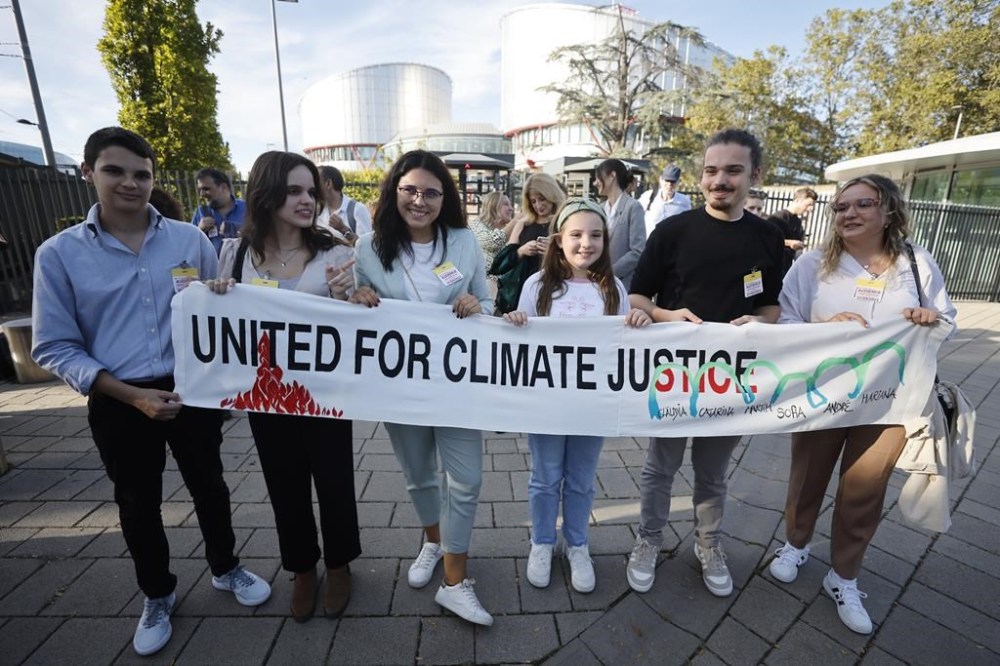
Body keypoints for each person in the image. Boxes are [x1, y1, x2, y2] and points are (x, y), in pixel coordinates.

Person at [31, 127, 271, 657]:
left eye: (141, 174)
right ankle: (157, 594)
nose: (130, 183)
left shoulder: (188, 239)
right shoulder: (58, 255)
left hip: (190, 392)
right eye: (115, 171)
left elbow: (213, 313)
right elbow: (53, 346)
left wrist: (224, 300)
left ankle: (226, 567)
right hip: (118, 397)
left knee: (210, 486)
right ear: (88, 172)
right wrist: (132, 396)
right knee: (137, 502)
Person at [770, 174, 956, 634]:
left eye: (862, 204)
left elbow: (946, 322)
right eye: (840, 207)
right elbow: (786, 321)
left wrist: (929, 319)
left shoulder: (917, 263)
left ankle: (845, 575)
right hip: (822, 394)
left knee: (864, 490)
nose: (849, 214)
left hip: (888, 400)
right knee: (807, 475)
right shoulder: (812, 264)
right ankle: (796, 543)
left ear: (888, 211)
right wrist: (828, 326)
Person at [627, 129, 784, 598]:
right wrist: (662, 314)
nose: (720, 180)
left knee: (713, 472)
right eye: (712, 171)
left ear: (754, 175)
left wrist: (757, 324)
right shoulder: (672, 231)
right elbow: (637, 295)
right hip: (675, 374)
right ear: (701, 175)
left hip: (732, 378)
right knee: (661, 467)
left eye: (733, 171)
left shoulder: (769, 237)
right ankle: (648, 540)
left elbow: (772, 306)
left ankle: (708, 544)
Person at [204, 151, 360, 622]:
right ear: (268, 194)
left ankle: (338, 566)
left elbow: (360, 325)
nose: (308, 200)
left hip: (326, 393)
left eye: (311, 190)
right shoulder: (236, 254)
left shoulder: (335, 250)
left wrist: (346, 297)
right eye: (294, 190)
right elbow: (224, 323)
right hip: (266, 395)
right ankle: (301, 569)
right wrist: (217, 297)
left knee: (335, 482)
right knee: (284, 485)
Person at [349, 149, 494, 626]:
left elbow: (488, 305)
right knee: (419, 475)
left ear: (443, 199)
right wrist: (359, 297)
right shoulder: (369, 247)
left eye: (431, 192)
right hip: (402, 388)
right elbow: (356, 309)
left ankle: (456, 583)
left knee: (467, 479)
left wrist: (476, 305)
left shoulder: (463, 241)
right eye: (410, 189)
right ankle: (433, 540)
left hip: (457, 385)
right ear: (394, 192)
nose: (420, 200)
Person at [504, 198, 651, 593]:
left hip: (592, 408)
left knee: (583, 480)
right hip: (547, 406)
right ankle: (542, 542)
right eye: (576, 235)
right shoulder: (538, 286)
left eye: (595, 235)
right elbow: (522, 341)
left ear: (606, 240)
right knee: (545, 476)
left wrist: (638, 320)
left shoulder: (613, 288)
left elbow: (623, 343)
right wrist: (516, 321)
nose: (586, 243)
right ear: (558, 239)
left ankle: (578, 544)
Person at [490, 173, 565, 314]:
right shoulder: (524, 224)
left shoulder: (564, 222)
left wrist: (555, 251)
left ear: (551, 194)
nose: (538, 205)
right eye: (533, 201)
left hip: (557, 290)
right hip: (522, 292)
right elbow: (500, 264)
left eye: (542, 199)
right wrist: (521, 251)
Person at [594, 158, 646, 290]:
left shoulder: (633, 207)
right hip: (596, 283)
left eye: (599, 177)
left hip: (621, 284)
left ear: (612, 176)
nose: (595, 183)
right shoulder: (598, 209)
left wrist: (610, 272)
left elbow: (638, 251)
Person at [191, 167, 246, 255]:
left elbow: (263, 237)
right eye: (200, 190)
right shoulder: (200, 212)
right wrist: (199, 231)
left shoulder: (247, 209)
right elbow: (189, 245)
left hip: (243, 266)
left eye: (206, 189)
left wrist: (237, 229)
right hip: (213, 268)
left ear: (223, 187)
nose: (201, 194)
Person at [471, 191, 514, 298]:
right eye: (506, 204)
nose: (511, 208)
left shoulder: (505, 231)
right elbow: (491, 242)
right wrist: (516, 221)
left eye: (511, 204)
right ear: (493, 206)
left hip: (498, 293)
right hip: (474, 294)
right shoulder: (476, 225)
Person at [316, 165, 373, 245]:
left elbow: (366, 247)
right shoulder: (317, 211)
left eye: (316, 182)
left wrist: (343, 229)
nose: (312, 186)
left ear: (328, 183)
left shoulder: (357, 209)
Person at [768, 186, 818, 275]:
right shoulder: (777, 218)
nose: (811, 209)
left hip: (786, 267)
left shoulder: (798, 221)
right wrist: (789, 243)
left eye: (813, 205)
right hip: (772, 267)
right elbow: (767, 239)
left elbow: (798, 246)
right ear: (797, 200)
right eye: (809, 204)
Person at [640, 164, 692, 236]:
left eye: (673, 182)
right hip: (649, 244)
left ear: (678, 182)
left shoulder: (684, 202)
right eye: (667, 180)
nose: (669, 184)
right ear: (660, 180)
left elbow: (688, 225)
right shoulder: (647, 197)